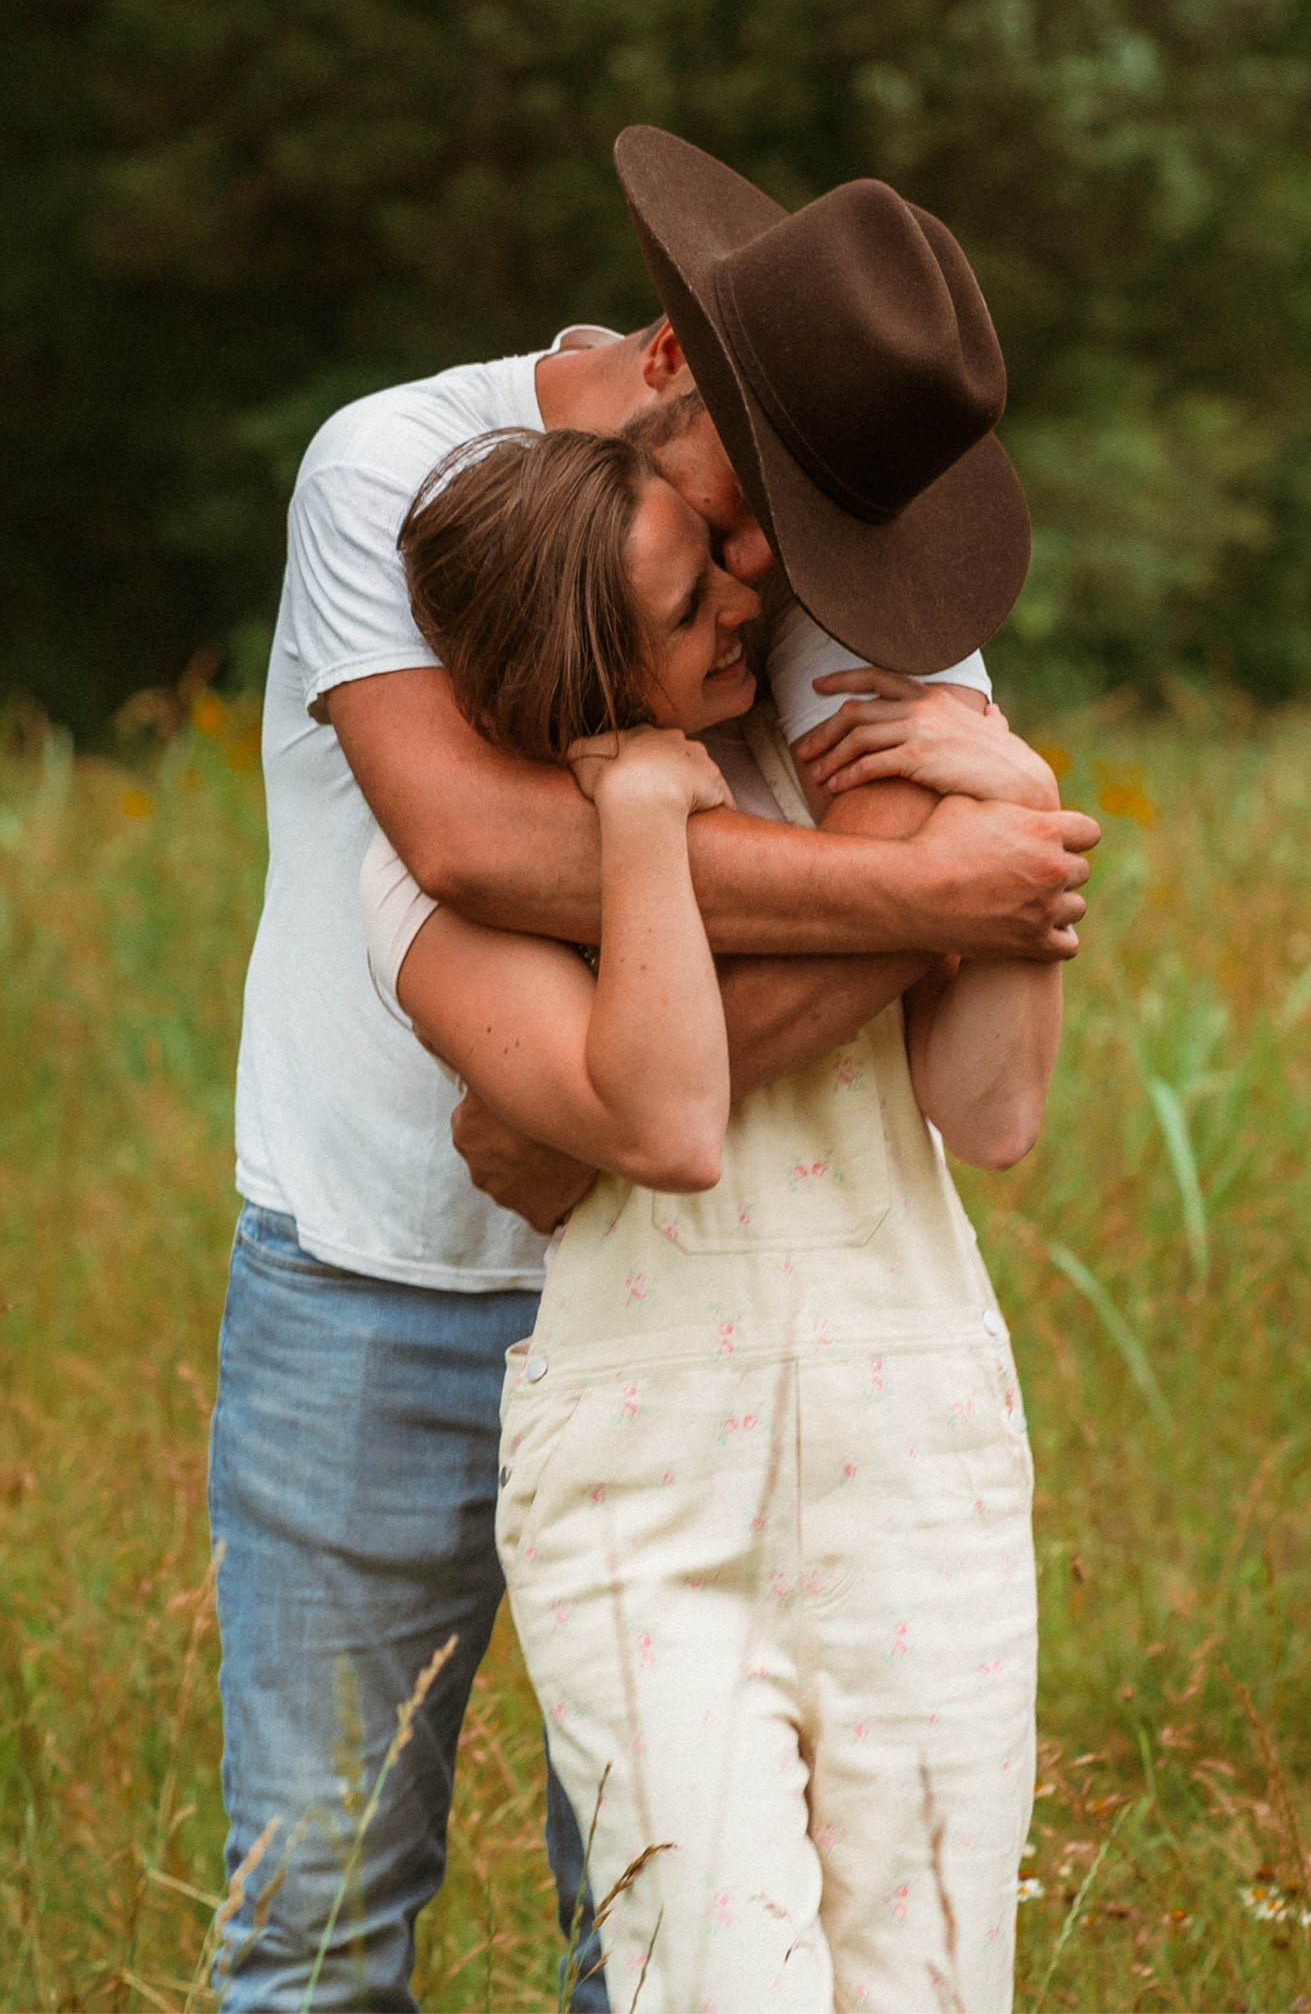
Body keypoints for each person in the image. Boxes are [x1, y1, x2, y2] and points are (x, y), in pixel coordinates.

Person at [209, 126, 1100, 2009]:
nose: (780, 579)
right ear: (672, 360)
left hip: (737, 1349)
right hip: (382, 1281)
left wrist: (958, 876)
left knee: (668, 1944)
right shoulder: (395, 470)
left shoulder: (843, 542)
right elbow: (472, 846)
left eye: (819, 532)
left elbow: (995, 915)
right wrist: (913, 891)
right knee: (318, 1916)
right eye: (743, 516)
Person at [366, 421, 1061, 2012]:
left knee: (942, 1989)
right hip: (649, 1492)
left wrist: (1011, 807)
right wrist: (639, 829)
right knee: (719, 1986)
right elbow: (669, 1121)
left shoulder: (839, 777)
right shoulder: (441, 895)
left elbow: (995, 1114)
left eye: (710, 566)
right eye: (685, 611)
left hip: (916, 1451)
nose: (743, 607)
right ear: (578, 663)